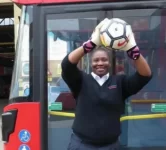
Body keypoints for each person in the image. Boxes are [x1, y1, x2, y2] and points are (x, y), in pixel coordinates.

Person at [61, 18, 152, 150]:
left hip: (111, 146)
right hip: (81, 145)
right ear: (90, 63)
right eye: (96, 60)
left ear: (109, 63)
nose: (100, 63)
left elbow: (145, 75)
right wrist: (90, 44)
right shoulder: (80, 80)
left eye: (104, 60)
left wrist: (133, 49)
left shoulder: (120, 83)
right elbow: (67, 65)